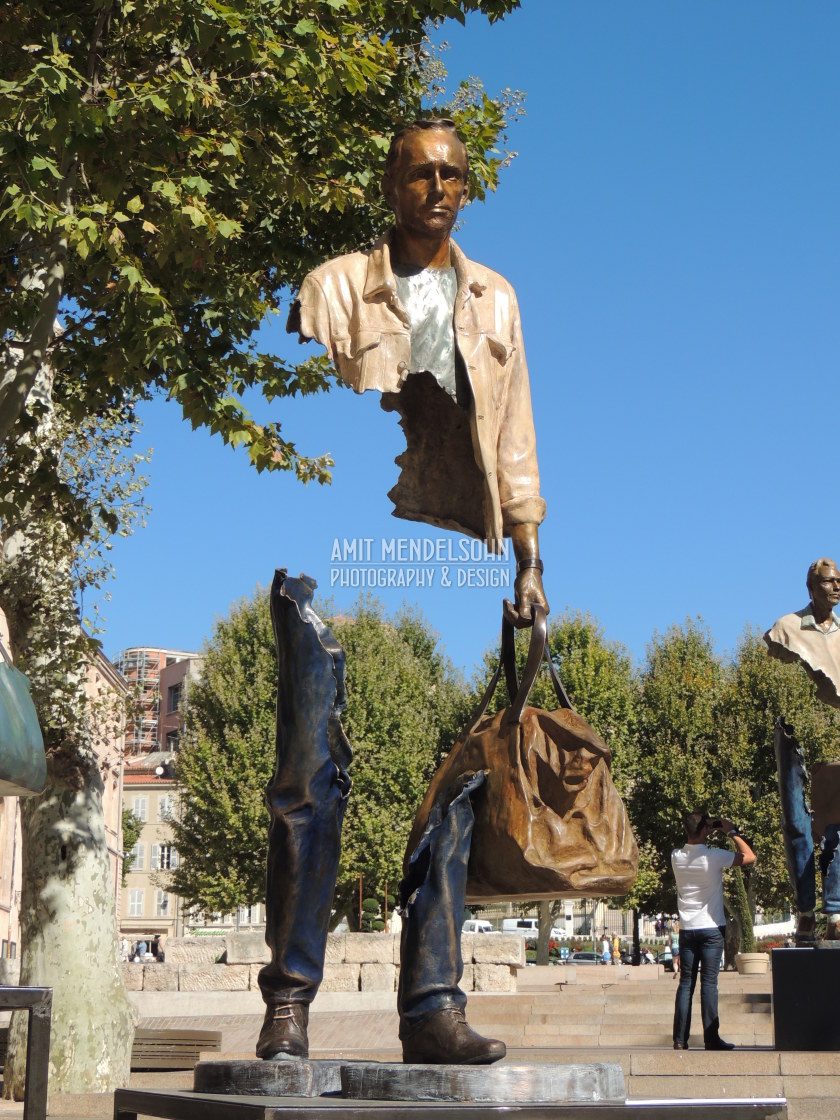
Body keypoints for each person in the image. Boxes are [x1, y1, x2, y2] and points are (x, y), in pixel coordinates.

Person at [258, 119, 550, 1068]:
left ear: (469, 188)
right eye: (419, 172)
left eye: (453, 174)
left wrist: (530, 551)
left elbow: (515, 431)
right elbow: (305, 421)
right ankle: (290, 1000)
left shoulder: (496, 299)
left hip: (461, 546)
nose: (438, 187)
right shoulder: (335, 288)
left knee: (456, 785)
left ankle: (432, 1004)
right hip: (340, 547)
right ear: (389, 183)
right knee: (309, 779)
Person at [765, 558, 840, 943]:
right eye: (828, 582)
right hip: (796, 732)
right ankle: (805, 911)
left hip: (836, 734)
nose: (836, 587)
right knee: (797, 824)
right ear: (811, 588)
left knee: (837, 827)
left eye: (838, 581)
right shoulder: (786, 628)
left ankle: (835, 911)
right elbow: (774, 679)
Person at [672, 811, 756, 1051]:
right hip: (711, 929)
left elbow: (694, 837)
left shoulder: (675, 856)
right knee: (709, 983)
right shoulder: (714, 856)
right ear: (705, 831)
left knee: (686, 984)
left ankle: (680, 1039)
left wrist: (706, 827)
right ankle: (711, 1038)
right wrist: (729, 830)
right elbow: (749, 856)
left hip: (687, 930)